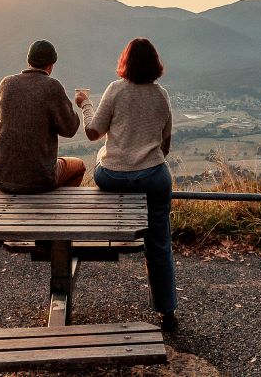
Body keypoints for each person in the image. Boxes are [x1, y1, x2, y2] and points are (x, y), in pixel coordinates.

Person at [80, 38, 178, 330]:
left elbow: (93, 132)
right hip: (153, 177)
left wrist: (84, 104)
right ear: (155, 64)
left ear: (126, 62)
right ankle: (166, 311)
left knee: (101, 156)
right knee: (159, 243)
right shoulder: (162, 96)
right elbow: (166, 144)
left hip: (113, 177)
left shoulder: (115, 89)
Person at [0, 39, 88, 193]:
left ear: (28, 61)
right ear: (51, 65)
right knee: (79, 166)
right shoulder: (52, 86)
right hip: (39, 179)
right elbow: (70, 129)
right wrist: (76, 105)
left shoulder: (6, 84)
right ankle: (54, 208)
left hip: (0, 175)